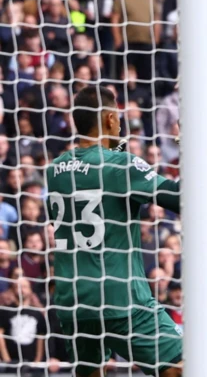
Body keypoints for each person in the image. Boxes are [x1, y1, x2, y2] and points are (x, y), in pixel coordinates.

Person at [45, 86, 183, 377]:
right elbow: (182, 198)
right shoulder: (120, 165)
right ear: (109, 119)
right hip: (120, 296)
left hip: (74, 300)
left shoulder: (55, 169)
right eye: (118, 118)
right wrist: (190, 149)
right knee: (184, 366)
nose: (120, 123)